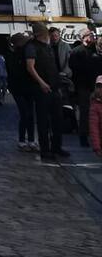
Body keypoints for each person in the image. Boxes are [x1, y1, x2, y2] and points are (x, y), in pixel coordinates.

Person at [26, 22, 68, 162]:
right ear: (41, 34)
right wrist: (41, 82)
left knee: (58, 119)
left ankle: (57, 146)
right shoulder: (32, 47)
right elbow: (30, 67)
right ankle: (45, 149)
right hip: (41, 89)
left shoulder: (47, 47)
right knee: (43, 121)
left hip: (53, 87)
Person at [68, 33, 102, 147]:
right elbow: (74, 69)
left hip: (96, 86)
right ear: (83, 37)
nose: (92, 38)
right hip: (84, 86)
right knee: (85, 112)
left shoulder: (95, 50)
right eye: (89, 36)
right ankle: (83, 137)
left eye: (92, 36)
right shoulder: (77, 51)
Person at [8, 33, 37, 152]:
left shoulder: (23, 53)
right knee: (25, 114)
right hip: (18, 89)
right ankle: (22, 140)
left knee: (30, 114)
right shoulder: (13, 56)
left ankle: (30, 140)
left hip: (27, 88)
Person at [88, 76, 102, 157]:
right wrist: (97, 147)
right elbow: (94, 128)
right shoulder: (95, 107)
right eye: (98, 87)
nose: (100, 89)